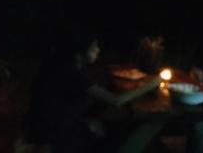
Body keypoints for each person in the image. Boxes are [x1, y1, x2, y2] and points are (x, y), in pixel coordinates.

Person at [23, 34, 160, 153]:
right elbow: (115, 101)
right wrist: (149, 85)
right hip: (51, 133)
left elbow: (62, 108)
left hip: (47, 124)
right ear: (79, 53)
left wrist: (85, 121)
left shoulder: (62, 66)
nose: (98, 51)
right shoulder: (72, 74)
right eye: (94, 48)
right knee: (118, 134)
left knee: (113, 125)